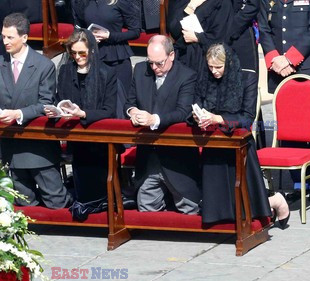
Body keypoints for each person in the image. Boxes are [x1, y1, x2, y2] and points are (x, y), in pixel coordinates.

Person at [192, 43, 288, 227]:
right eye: (211, 67)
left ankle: (276, 201)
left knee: (247, 203)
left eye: (218, 67)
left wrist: (217, 118)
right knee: (218, 200)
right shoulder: (205, 77)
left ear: (228, 64)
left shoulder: (247, 78)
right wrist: (198, 116)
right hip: (214, 142)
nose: (214, 72)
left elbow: (247, 118)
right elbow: (196, 102)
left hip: (239, 142)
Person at [0, 13, 72, 209]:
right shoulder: (1, 63)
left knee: (56, 202)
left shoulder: (43, 66)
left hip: (38, 149)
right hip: (10, 147)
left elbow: (45, 102)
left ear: (24, 38)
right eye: (3, 36)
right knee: (25, 204)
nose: (5, 41)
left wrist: (17, 114)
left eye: (10, 37)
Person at [125, 35, 201, 215]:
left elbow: (183, 112)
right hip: (149, 155)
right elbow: (129, 102)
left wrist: (154, 120)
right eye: (150, 62)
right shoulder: (140, 70)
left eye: (159, 63)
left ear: (172, 55)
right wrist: (133, 112)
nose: (154, 68)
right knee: (146, 208)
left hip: (176, 157)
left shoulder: (187, 76)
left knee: (190, 209)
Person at [44, 29, 116, 212]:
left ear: (91, 50)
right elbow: (60, 97)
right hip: (76, 136)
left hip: (98, 139)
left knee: (99, 181)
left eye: (82, 52)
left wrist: (83, 113)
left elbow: (109, 110)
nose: (78, 57)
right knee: (81, 179)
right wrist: (58, 111)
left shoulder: (106, 73)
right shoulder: (66, 71)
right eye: (73, 53)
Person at [71, 0, 141, 94]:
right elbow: (77, 26)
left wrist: (109, 36)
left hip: (116, 58)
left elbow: (136, 31)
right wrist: (86, 36)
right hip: (91, 57)